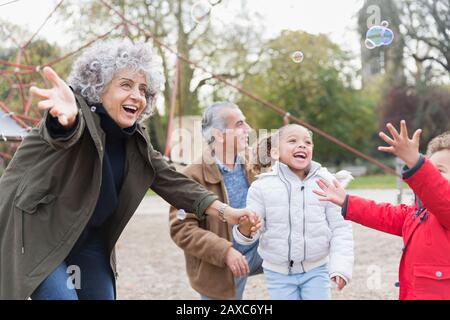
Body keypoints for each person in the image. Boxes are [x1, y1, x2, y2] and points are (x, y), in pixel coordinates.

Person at [0, 39, 256, 300]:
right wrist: (63, 120)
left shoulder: (135, 140)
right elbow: (64, 132)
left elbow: (173, 182)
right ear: (99, 89)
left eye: (144, 90)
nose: (137, 96)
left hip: (87, 243)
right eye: (126, 84)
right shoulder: (75, 116)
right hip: (38, 238)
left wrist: (228, 212)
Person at [314, 120, 450, 300]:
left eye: (439, 170)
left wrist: (416, 162)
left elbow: (438, 192)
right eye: (430, 169)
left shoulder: (445, 210)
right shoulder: (418, 212)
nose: (432, 174)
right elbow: (381, 214)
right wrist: (346, 201)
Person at [234, 124, 354, 300]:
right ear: (275, 153)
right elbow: (251, 230)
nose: (302, 145)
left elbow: (341, 228)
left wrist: (340, 267)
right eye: (293, 141)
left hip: (317, 269)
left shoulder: (326, 183)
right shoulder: (261, 187)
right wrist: (246, 229)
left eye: (308, 142)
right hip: (278, 273)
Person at [169, 102, 263, 300]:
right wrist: (225, 251)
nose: (248, 129)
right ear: (219, 135)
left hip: (259, 249)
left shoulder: (252, 163)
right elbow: (182, 229)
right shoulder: (192, 176)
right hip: (222, 262)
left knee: (299, 260)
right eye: (239, 124)